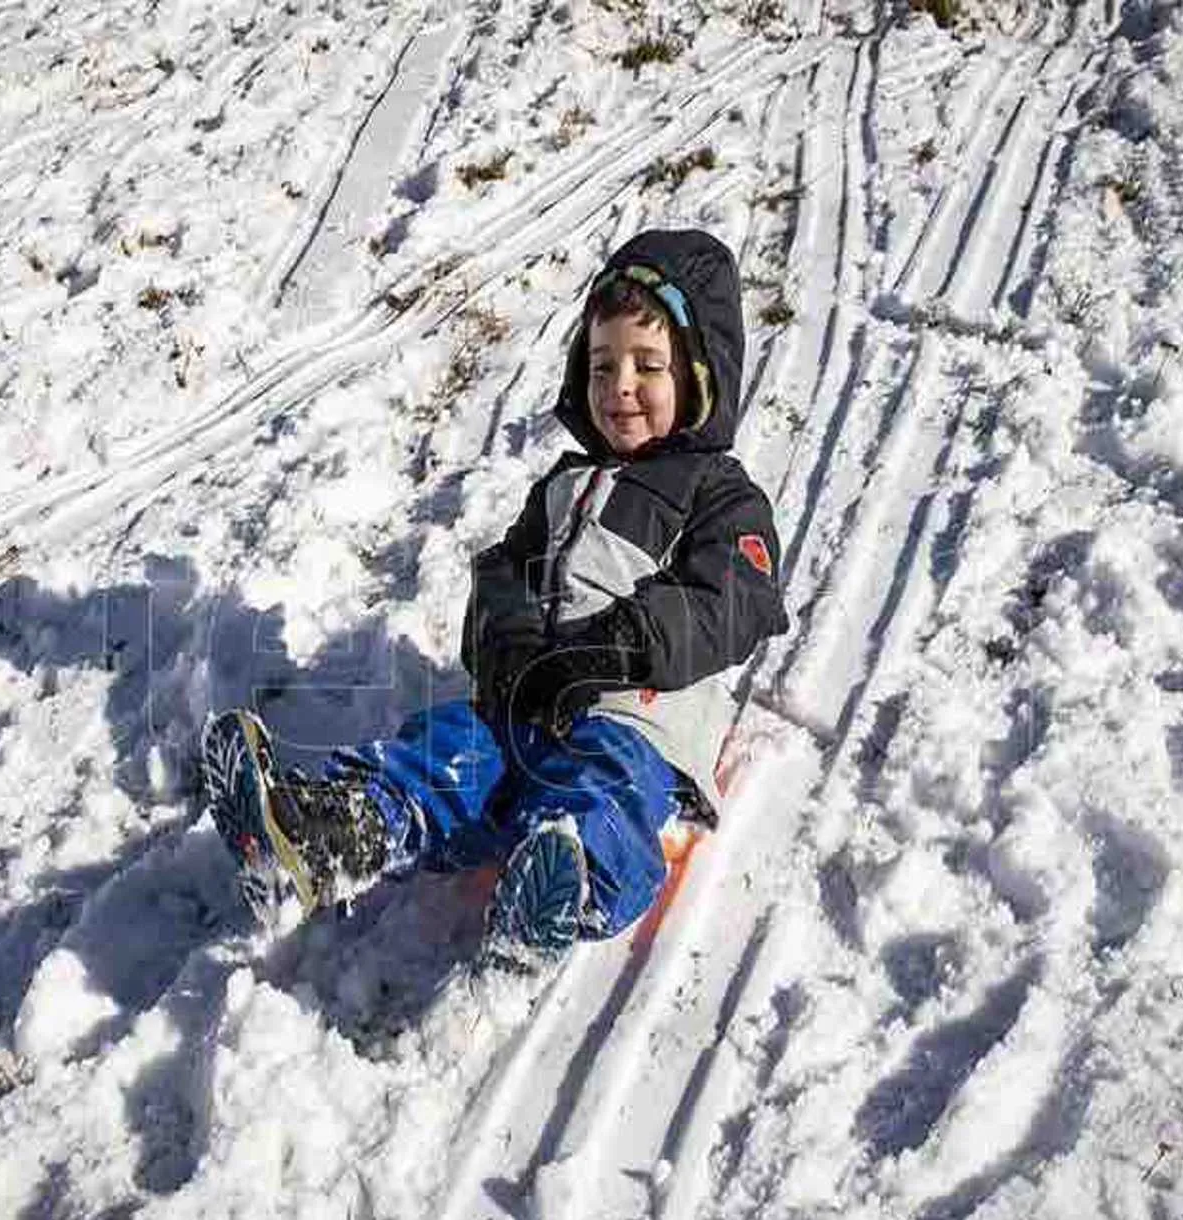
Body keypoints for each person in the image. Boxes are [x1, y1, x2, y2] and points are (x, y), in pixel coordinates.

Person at [201, 228, 788, 964]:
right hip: (526, 715)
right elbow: (502, 574)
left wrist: (614, 646)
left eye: (648, 365)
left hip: (633, 727)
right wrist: (506, 638)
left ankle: (564, 884)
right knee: (448, 747)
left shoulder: (717, 494)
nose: (620, 388)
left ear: (701, 375)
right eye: (601, 365)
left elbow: (733, 598)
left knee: (603, 789)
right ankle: (334, 834)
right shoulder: (564, 486)